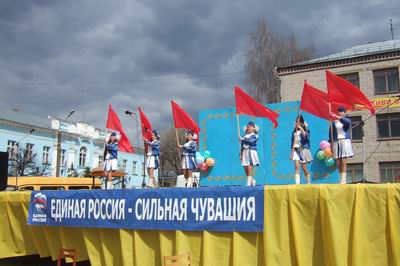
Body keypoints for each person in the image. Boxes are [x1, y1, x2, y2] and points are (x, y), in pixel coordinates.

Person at [329, 106, 354, 184]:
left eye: (341, 112)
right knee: (338, 161)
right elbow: (331, 134)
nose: (340, 113)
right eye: (339, 112)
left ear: (344, 113)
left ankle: (344, 180)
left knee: (343, 160)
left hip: (344, 141)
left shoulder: (346, 120)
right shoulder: (334, 123)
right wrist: (331, 144)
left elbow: (348, 123)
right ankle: (340, 179)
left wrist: (336, 116)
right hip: (337, 142)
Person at [290, 115, 312, 184]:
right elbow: (293, 144)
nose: (297, 123)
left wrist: (301, 128)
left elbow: (305, 136)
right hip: (296, 150)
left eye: (299, 122)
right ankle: (297, 184)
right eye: (296, 122)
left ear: (302, 123)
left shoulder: (306, 131)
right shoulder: (294, 133)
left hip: (303, 150)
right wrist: (292, 153)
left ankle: (308, 181)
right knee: (296, 167)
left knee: (304, 168)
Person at [239, 121, 259, 186]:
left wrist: (242, 139)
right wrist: (241, 154)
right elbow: (242, 146)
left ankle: (248, 184)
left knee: (249, 167)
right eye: (248, 126)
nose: (248, 127)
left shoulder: (255, 136)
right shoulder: (244, 136)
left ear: (253, 128)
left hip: (251, 151)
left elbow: (251, 142)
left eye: (250, 126)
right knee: (245, 168)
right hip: (245, 152)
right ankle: (253, 181)